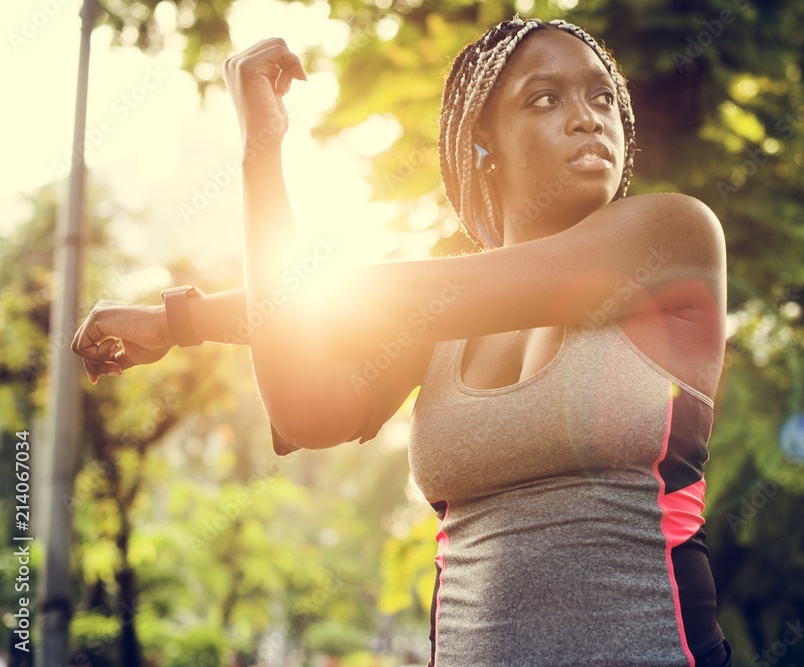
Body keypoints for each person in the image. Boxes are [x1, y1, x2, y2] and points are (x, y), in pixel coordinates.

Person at [73, 17, 732, 666]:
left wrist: (182, 320)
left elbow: (364, 295)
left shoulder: (671, 236)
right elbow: (303, 406)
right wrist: (261, 152)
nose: (589, 116)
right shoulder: (443, 321)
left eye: (601, 95)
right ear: (483, 142)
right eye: (545, 97)